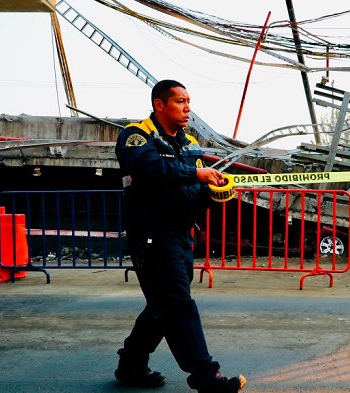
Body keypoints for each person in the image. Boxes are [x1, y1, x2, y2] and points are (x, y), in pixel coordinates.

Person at [114, 79, 246, 393]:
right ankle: (206, 377)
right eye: (180, 101)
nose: (188, 108)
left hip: (180, 234)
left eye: (189, 102)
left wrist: (214, 191)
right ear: (160, 104)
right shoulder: (136, 136)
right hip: (152, 235)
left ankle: (131, 364)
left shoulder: (189, 144)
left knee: (164, 304)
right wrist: (195, 174)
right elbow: (148, 170)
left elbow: (195, 188)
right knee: (176, 302)